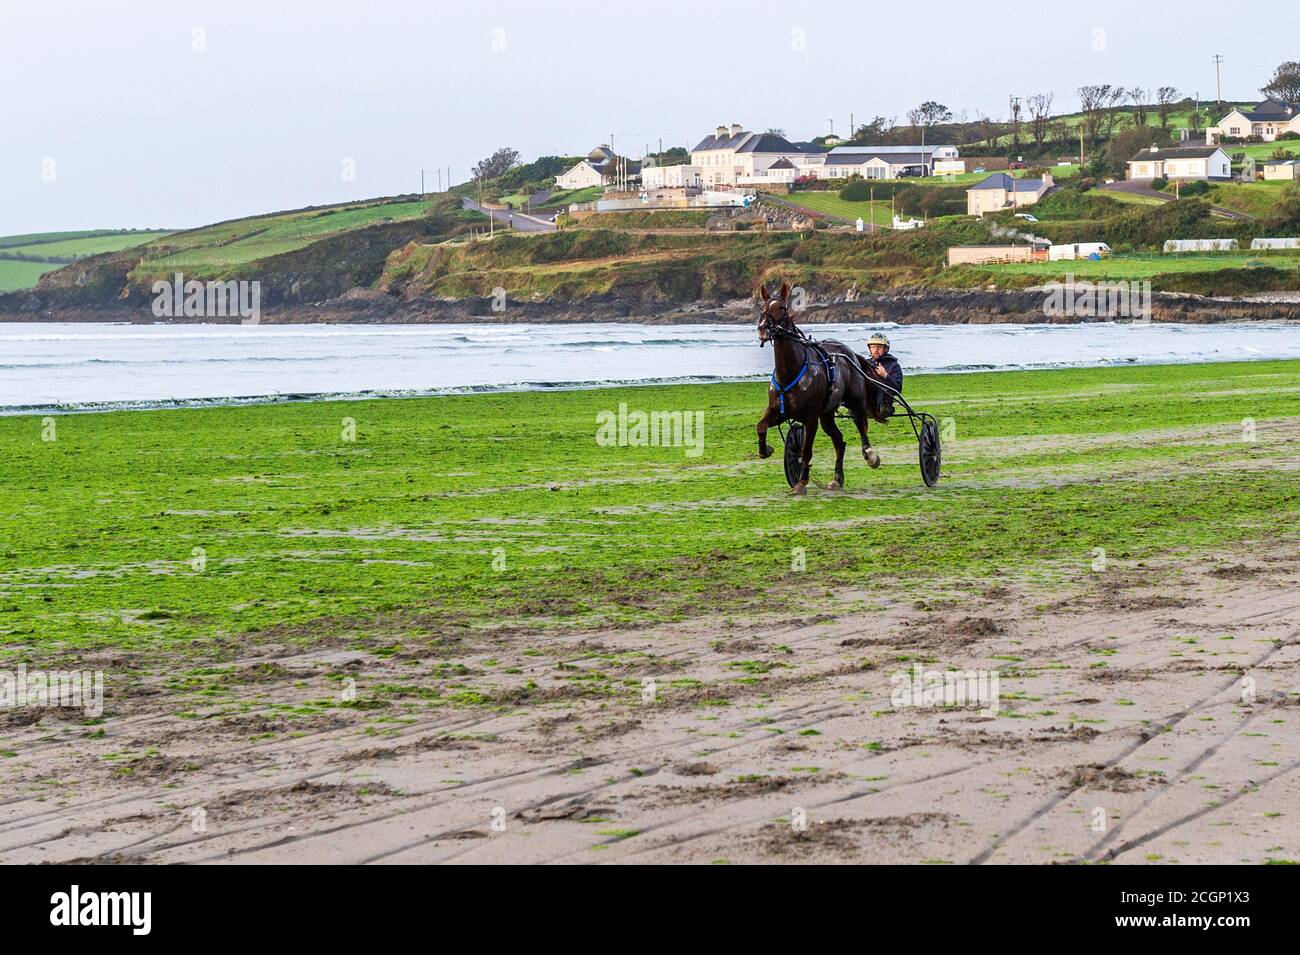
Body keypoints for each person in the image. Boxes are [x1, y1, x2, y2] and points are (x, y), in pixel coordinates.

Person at [859, 331, 903, 421]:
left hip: (882, 407)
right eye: (872, 347)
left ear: (886, 349)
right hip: (863, 404)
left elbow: (897, 390)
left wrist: (885, 376)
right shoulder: (865, 364)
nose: (875, 350)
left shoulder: (894, 365)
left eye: (879, 347)